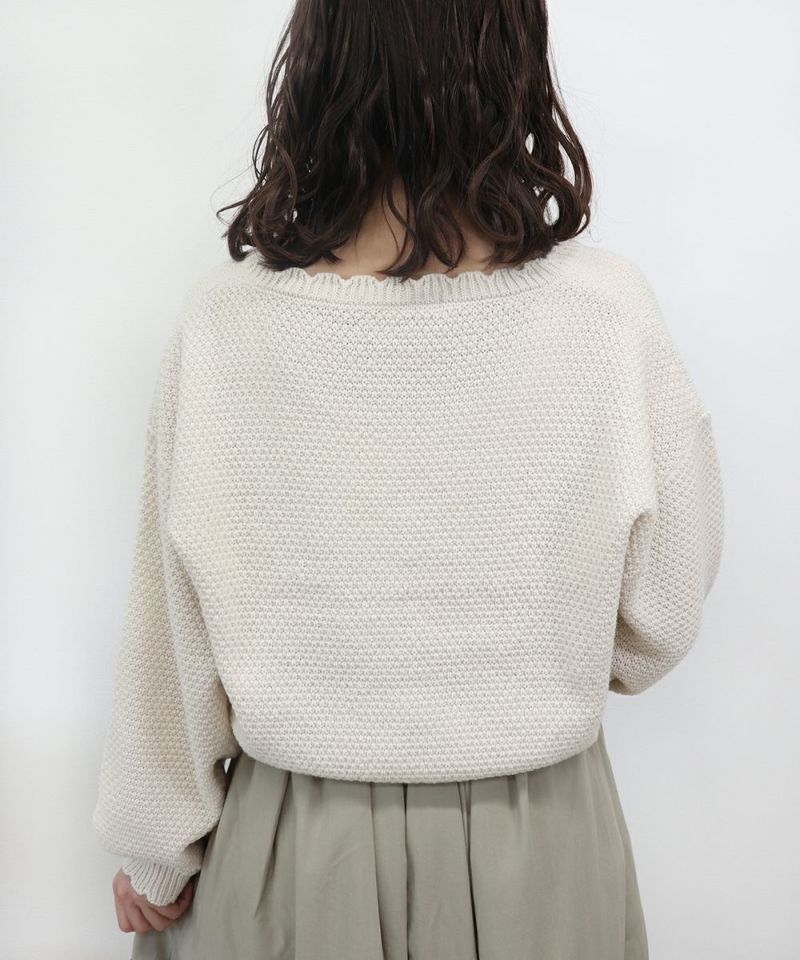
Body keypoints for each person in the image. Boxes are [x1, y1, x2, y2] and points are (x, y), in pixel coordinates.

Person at [91, 1, 725, 957]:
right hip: (543, 843)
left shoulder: (227, 326)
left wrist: (154, 853)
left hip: (296, 850)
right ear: (511, 62)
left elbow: (169, 637)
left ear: (320, 63)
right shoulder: (608, 317)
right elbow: (660, 618)